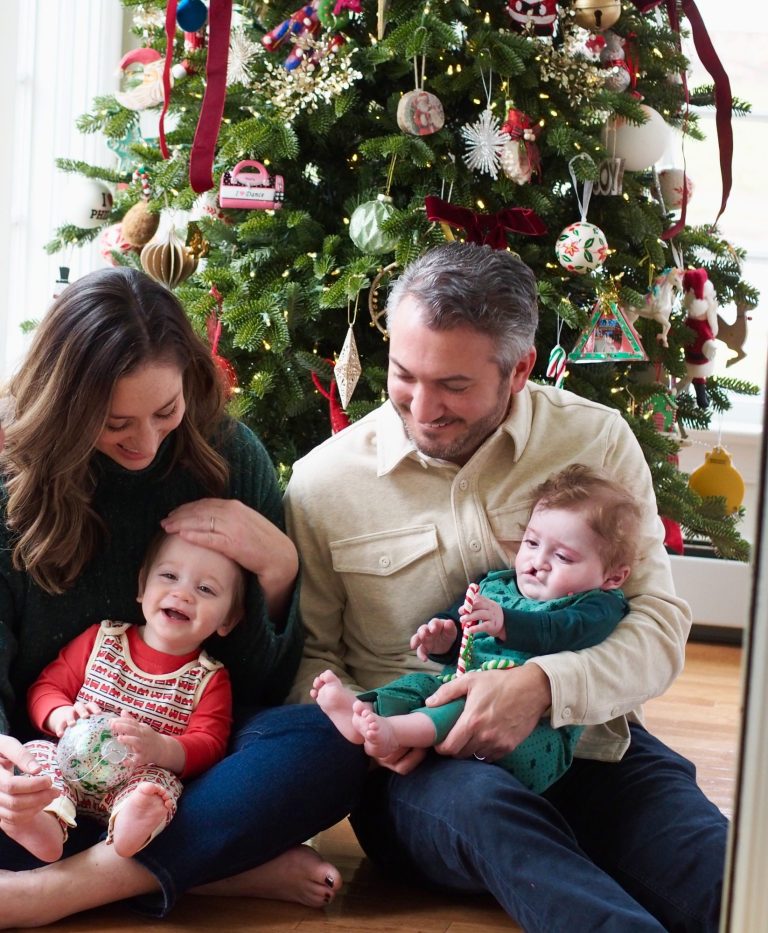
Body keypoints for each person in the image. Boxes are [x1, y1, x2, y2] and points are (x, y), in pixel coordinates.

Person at [284, 241, 728, 932]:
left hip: (591, 743)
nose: (422, 407)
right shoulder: (322, 482)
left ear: (519, 369)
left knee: (719, 874)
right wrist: (370, 736)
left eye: (454, 386)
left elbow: (657, 625)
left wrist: (542, 686)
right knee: (500, 823)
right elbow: (312, 661)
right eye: (404, 375)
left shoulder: (595, 440)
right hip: (427, 776)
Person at [0, 267, 367, 928]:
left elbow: (257, 688)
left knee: (333, 740)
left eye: (165, 413)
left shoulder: (230, 457)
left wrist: (278, 570)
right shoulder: (12, 476)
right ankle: (214, 868)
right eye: (114, 423)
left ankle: (45, 894)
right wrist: (5, 762)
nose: (145, 444)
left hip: (182, 771)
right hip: (47, 764)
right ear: (64, 406)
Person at [312, 464, 638, 794]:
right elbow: (464, 631)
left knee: (468, 705)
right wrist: (446, 637)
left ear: (612, 577)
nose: (538, 562)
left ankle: (394, 732)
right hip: (456, 687)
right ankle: (364, 713)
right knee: (419, 684)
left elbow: (561, 631)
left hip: (533, 736)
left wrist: (506, 623)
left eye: (563, 557)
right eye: (531, 542)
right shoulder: (494, 585)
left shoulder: (597, 605)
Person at [11, 531, 246, 863]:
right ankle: (43, 822)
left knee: (160, 788)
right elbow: (45, 688)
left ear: (228, 619)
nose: (182, 594)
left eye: (205, 589)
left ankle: (130, 828)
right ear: (142, 587)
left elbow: (210, 744)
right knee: (36, 754)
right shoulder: (102, 639)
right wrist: (60, 714)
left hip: (135, 777)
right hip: (70, 762)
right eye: (169, 576)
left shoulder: (209, 678)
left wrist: (161, 748)